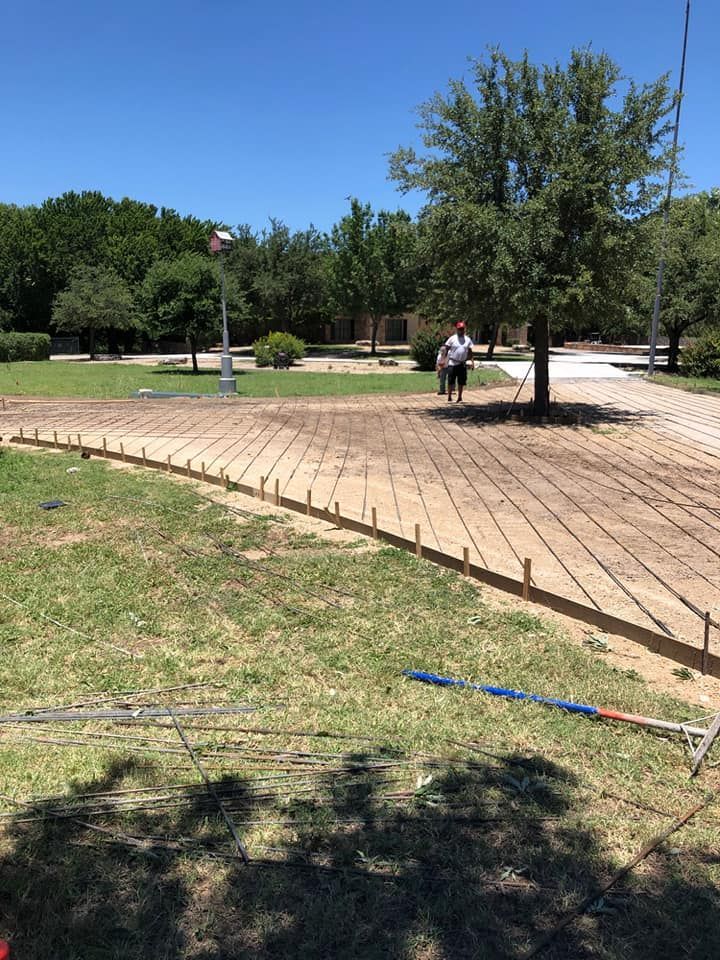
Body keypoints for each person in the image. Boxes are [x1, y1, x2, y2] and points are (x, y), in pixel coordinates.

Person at [444, 321, 474, 402]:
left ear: (464, 329)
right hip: (452, 363)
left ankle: (460, 397)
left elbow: (470, 351)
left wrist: (472, 362)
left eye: (462, 329)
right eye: (459, 329)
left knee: (461, 381)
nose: (461, 331)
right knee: (451, 381)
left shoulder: (468, 339)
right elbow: (446, 348)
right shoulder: (452, 338)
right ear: (457, 329)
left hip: (462, 363)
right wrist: (444, 359)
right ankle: (449, 396)